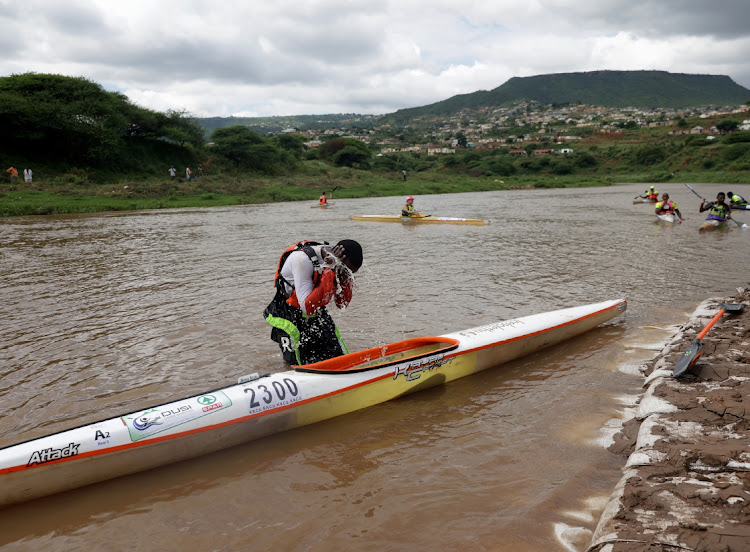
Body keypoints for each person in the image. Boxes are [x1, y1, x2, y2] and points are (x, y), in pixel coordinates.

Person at [264, 239, 363, 365]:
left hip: (316, 309)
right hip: (289, 312)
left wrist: (344, 280)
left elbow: (341, 303)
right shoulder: (302, 260)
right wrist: (329, 270)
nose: (345, 274)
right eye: (345, 271)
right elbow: (308, 307)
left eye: (350, 273)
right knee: (298, 364)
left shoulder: (340, 264)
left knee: (338, 358)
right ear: (338, 260)